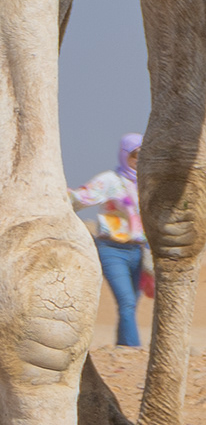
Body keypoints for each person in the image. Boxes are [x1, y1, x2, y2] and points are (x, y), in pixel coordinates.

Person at [72, 134, 148, 350]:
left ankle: (123, 347)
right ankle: (132, 349)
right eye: (136, 155)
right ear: (125, 155)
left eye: (145, 155)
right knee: (126, 302)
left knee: (131, 305)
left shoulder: (148, 183)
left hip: (138, 251)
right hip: (112, 250)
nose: (139, 160)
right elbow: (80, 198)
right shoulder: (109, 180)